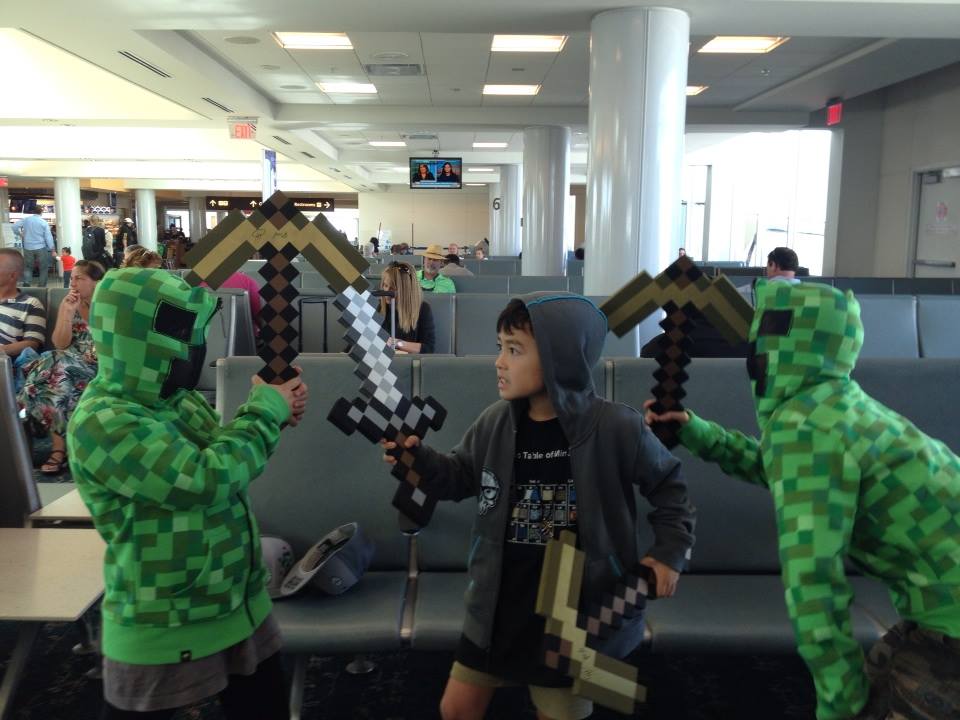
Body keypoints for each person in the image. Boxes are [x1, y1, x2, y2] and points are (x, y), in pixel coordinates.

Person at [644, 279, 960, 720]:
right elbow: (780, 469)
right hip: (940, 603)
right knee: (876, 676)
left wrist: (839, 705)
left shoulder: (806, 425)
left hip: (950, 615)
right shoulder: (836, 405)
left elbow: (814, 583)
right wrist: (698, 433)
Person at [383, 293, 695, 720]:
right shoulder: (495, 422)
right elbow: (460, 476)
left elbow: (670, 486)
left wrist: (669, 553)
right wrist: (418, 462)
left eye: (515, 351)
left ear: (558, 358)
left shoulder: (615, 428)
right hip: (498, 603)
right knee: (456, 708)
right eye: (500, 348)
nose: (499, 362)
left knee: (559, 712)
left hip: (575, 611)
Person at [67, 268, 308, 720]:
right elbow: (206, 479)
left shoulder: (177, 399)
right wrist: (264, 414)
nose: (191, 345)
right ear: (132, 334)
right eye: (177, 331)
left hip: (238, 603)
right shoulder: (104, 420)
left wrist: (271, 411)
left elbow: (230, 458)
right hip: (163, 621)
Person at [19, 260, 105, 474]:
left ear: (97, 282)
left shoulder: (110, 306)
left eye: (79, 278)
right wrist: (66, 313)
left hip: (99, 365)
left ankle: (55, 445)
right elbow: (60, 343)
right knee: (58, 374)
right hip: (67, 364)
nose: (72, 283)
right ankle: (62, 449)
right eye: (71, 278)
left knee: (52, 366)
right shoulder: (69, 304)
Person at [0, 249, 46, 392]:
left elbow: (32, 344)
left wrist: (2, 351)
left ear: (13, 275)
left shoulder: (30, 304)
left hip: (5, 365)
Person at [378, 262, 435, 354]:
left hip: (408, 360)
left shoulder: (422, 309)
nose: (387, 291)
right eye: (385, 285)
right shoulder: (378, 307)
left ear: (405, 289)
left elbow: (428, 349)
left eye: (392, 288)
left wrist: (396, 343)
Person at [13, 206, 56, 287]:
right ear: (41, 212)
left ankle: (27, 283)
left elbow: (14, 226)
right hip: (41, 247)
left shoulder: (26, 220)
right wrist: (52, 249)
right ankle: (41, 286)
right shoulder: (43, 222)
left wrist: (20, 234)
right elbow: (48, 237)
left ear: (33, 212)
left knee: (28, 267)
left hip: (28, 247)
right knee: (43, 268)